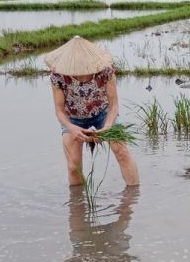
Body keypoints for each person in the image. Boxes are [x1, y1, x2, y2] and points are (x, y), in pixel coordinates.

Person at [47, 36, 139, 186]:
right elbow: (59, 110)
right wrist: (71, 128)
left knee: (122, 152)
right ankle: (78, 206)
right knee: (73, 167)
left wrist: (108, 126)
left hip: (103, 114)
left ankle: (133, 200)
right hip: (72, 119)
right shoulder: (58, 76)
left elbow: (114, 105)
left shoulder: (105, 71)